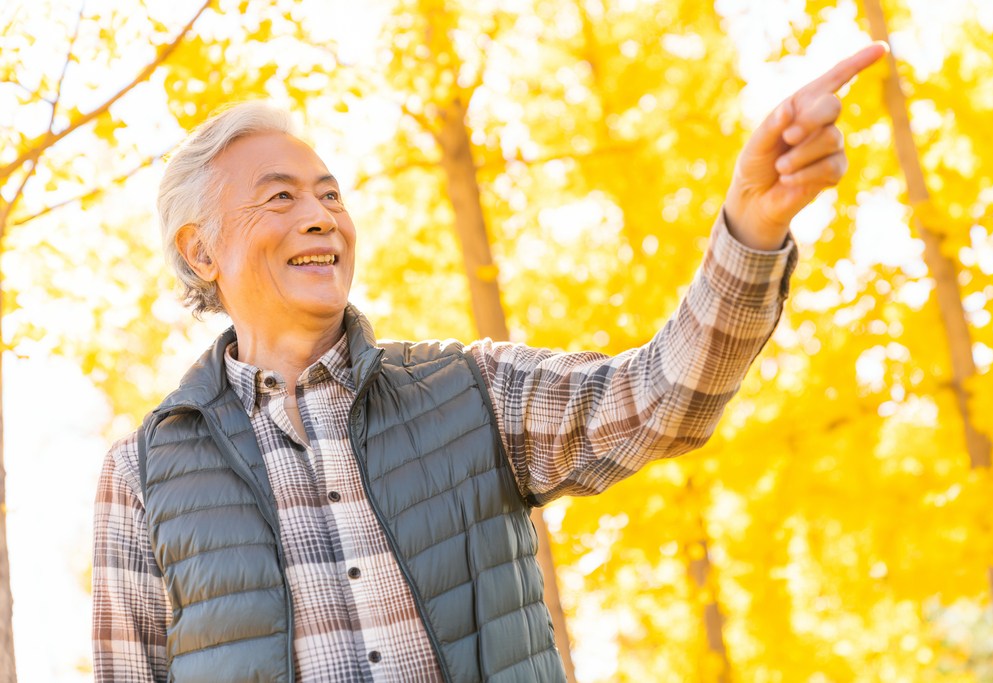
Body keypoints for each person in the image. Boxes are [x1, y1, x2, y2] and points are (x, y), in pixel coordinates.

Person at [91, 43, 887, 683]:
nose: (320, 218)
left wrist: (749, 225)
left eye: (330, 196)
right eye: (281, 198)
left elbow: (659, 397)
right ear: (200, 251)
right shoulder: (144, 472)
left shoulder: (472, 390)